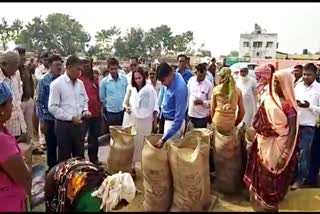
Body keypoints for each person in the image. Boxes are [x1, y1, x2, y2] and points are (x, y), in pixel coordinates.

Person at [244, 70, 299, 212]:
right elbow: (258, 123)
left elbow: (292, 131)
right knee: (260, 178)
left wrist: (285, 154)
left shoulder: (289, 106)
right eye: (273, 81)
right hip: (263, 145)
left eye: (277, 82)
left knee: (273, 180)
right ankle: (259, 205)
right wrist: (254, 140)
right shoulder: (268, 100)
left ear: (285, 84)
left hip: (279, 147)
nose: (274, 85)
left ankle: (270, 206)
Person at [48, 55, 91, 162]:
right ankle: (64, 178)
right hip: (63, 126)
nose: (79, 72)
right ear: (69, 67)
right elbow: (52, 107)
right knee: (64, 157)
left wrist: (85, 110)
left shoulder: (80, 83)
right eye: (77, 69)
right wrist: (71, 118)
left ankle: (80, 177)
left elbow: (85, 99)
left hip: (79, 125)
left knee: (80, 155)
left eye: (80, 70)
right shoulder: (56, 84)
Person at [0, 81, 31, 211]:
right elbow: (24, 177)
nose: (12, 107)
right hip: (7, 203)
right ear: (0, 109)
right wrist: (24, 161)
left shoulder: (3, 131)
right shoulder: (2, 141)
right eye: (10, 102)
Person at [292, 63, 320, 189]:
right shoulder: (298, 87)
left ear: (315, 75)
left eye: (309, 75)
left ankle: (300, 179)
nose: (306, 77)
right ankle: (291, 177)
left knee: (304, 154)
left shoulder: (318, 89)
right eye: (304, 74)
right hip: (294, 125)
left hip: (308, 127)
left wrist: (309, 106)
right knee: (292, 153)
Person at [127, 67, 158, 173]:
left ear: (143, 77)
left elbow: (155, 106)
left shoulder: (150, 89)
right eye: (135, 78)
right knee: (134, 144)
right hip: (134, 120)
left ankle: (145, 168)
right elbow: (130, 104)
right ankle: (133, 167)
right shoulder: (133, 88)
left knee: (144, 145)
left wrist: (155, 121)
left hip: (146, 121)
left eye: (139, 78)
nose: (138, 80)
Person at [37, 54, 63, 170]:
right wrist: (42, 121)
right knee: (51, 146)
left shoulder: (63, 80)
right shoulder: (44, 81)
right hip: (49, 119)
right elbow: (40, 102)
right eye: (56, 65)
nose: (59, 67)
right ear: (50, 66)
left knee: (62, 146)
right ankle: (52, 170)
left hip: (62, 118)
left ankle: (62, 170)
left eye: (60, 65)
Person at [154, 62, 188, 148]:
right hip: (167, 120)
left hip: (174, 126)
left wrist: (164, 139)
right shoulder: (174, 76)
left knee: (170, 154)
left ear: (170, 74)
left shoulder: (180, 88)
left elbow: (179, 119)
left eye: (163, 80)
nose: (162, 83)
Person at [79, 57, 102, 165]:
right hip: (83, 114)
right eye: (84, 63)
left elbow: (97, 95)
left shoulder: (95, 78)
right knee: (81, 139)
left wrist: (100, 108)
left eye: (88, 63)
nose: (86, 65)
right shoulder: (78, 79)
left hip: (96, 113)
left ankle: (94, 160)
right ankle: (81, 161)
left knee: (94, 139)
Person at [0, 51, 27, 141]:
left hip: (18, 125)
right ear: (5, 64)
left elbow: (17, 98)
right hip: (5, 129)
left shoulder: (16, 75)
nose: (16, 69)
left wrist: (23, 127)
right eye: (15, 66)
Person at [211, 67, 245, 134]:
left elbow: (212, 109)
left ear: (221, 77)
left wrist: (213, 121)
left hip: (217, 121)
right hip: (230, 124)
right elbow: (242, 111)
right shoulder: (237, 91)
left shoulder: (216, 90)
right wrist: (236, 123)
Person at [100, 57, 127, 135]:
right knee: (113, 135)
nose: (113, 71)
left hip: (122, 111)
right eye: (111, 69)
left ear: (118, 67)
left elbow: (126, 93)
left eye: (115, 69)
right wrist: (109, 104)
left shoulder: (124, 79)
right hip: (111, 113)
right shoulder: (104, 82)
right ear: (108, 69)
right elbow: (102, 97)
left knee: (123, 133)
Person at [15, 47, 35, 144]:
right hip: (19, 102)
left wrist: (31, 96)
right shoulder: (14, 71)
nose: (22, 57)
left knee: (29, 123)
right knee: (19, 125)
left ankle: (30, 143)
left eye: (23, 55)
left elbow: (31, 82)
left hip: (28, 100)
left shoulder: (27, 68)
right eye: (20, 55)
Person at [187, 63, 213, 129]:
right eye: (200, 76)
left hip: (202, 117)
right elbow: (187, 95)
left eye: (204, 75)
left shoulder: (209, 85)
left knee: (200, 138)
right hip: (191, 115)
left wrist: (202, 102)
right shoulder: (191, 80)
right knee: (189, 137)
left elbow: (212, 102)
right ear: (196, 72)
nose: (202, 78)